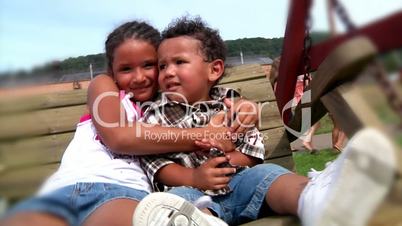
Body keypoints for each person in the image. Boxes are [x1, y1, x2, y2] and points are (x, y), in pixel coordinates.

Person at [133, 16, 397, 226]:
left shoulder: (232, 103)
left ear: (214, 70)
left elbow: (253, 150)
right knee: (175, 203)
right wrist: (194, 176)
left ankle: (317, 200)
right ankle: (203, 222)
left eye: (179, 62)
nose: (168, 72)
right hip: (191, 190)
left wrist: (229, 159)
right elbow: (157, 163)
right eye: (163, 65)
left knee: (269, 174)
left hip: (239, 184)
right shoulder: (156, 113)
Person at [1, 20, 257, 226]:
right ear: (112, 72)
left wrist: (244, 105)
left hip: (123, 193)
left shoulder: (171, 108)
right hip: (63, 188)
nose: (139, 77)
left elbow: (211, 96)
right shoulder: (106, 88)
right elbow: (119, 137)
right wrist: (204, 134)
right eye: (126, 69)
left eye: (149, 65)